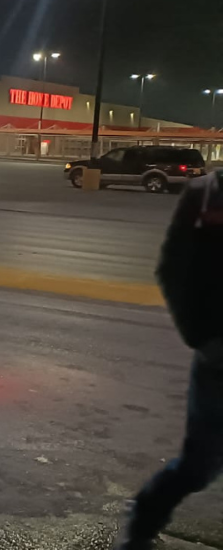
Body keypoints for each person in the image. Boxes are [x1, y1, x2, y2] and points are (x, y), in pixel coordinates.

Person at [116, 169, 223, 549]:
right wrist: (202, 337)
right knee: (199, 467)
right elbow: (172, 269)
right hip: (218, 360)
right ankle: (139, 531)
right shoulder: (205, 194)